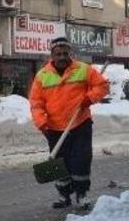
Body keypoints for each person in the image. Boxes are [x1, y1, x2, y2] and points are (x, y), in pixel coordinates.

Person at [30, 37, 109, 209]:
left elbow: (102, 86)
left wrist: (90, 98)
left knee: (81, 160)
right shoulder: (42, 76)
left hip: (80, 123)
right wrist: (42, 123)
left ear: (70, 53)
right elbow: (36, 104)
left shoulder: (83, 69)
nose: (62, 57)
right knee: (59, 164)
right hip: (54, 127)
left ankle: (81, 194)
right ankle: (64, 195)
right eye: (58, 54)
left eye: (65, 53)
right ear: (52, 55)